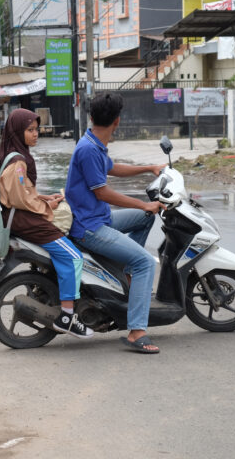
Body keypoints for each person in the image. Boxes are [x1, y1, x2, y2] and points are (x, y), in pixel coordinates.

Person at [65, 92, 166, 354]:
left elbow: (111, 168)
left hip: (100, 218)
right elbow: (103, 192)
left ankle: (125, 275)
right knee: (145, 262)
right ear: (118, 121)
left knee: (145, 217)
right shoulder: (88, 149)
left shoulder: (92, 143)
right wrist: (143, 202)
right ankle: (137, 332)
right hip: (89, 228)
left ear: (91, 117)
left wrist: (149, 167)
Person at [0, 109, 92, 339]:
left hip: (21, 217)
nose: (35, 134)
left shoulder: (14, 154)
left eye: (36, 129)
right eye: (30, 130)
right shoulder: (18, 161)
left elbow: (23, 192)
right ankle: (67, 317)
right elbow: (20, 199)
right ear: (18, 131)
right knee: (73, 256)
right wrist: (48, 208)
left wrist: (46, 198)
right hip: (25, 220)